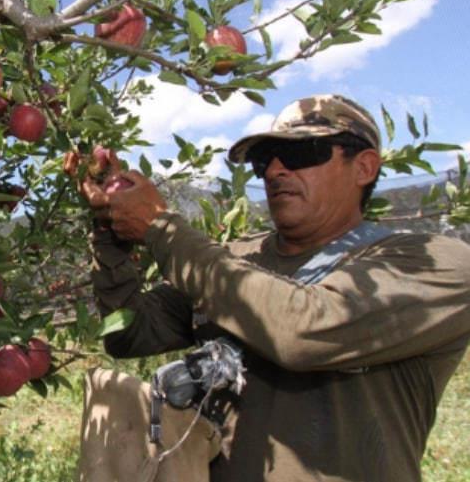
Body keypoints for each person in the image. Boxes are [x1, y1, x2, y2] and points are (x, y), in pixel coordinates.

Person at [78, 94, 470, 482]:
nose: (275, 171)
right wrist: (110, 230)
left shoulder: (433, 263)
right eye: (264, 161)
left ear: (364, 167)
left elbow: (301, 331)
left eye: (302, 154)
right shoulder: (237, 258)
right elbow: (127, 334)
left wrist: (160, 227)